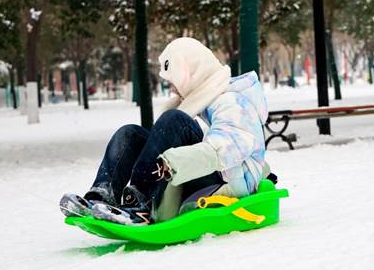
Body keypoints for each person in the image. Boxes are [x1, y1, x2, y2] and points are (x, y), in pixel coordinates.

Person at [60, 37, 271, 225]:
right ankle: (102, 195)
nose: (172, 88)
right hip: (196, 169)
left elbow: (225, 150)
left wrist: (173, 160)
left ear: (191, 74)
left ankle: (141, 203)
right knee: (130, 135)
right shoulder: (201, 100)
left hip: (228, 178)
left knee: (174, 119)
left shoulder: (231, 101)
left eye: (174, 81)